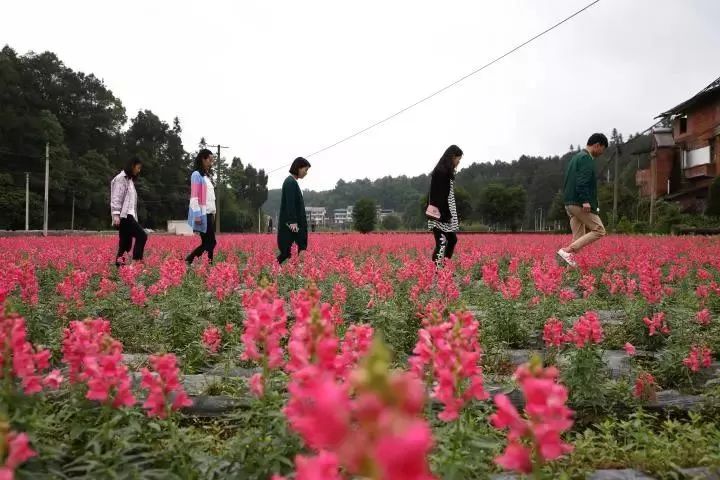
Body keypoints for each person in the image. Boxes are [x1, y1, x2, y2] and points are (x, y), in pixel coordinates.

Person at [557, 133, 609, 267]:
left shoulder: (576, 158)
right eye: (602, 149)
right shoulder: (586, 159)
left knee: (578, 239)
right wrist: (586, 200)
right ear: (597, 145)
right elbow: (582, 182)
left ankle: (569, 272)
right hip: (579, 202)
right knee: (599, 230)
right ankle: (566, 251)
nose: (602, 153)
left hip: (569, 203)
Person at [426, 145, 463, 268]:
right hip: (441, 214)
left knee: (451, 240)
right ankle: (435, 272)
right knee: (441, 243)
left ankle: (443, 270)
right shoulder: (440, 172)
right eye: (458, 159)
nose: (458, 162)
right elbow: (438, 196)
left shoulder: (445, 171)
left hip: (445, 213)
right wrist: (444, 215)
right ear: (452, 157)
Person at [110, 157, 147, 267]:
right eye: (138, 167)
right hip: (124, 216)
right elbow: (116, 197)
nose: (139, 170)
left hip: (129, 215)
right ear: (132, 165)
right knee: (142, 236)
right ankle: (136, 263)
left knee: (125, 244)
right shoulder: (121, 178)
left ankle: (119, 268)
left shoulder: (129, 180)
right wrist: (116, 215)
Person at [186, 149, 217, 265]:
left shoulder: (206, 177)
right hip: (203, 215)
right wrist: (197, 215)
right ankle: (190, 259)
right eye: (210, 159)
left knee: (208, 243)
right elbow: (194, 197)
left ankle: (207, 264)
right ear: (203, 159)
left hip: (209, 214)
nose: (211, 162)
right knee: (211, 242)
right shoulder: (196, 175)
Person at [277, 157, 310, 264]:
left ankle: (277, 268)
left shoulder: (291, 182)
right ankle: (274, 268)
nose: (306, 173)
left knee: (291, 252)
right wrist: (293, 222)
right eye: (305, 170)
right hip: (293, 226)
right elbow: (290, 203)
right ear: (298, 168)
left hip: (293, 225)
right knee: (290, 251)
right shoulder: (290, 182)